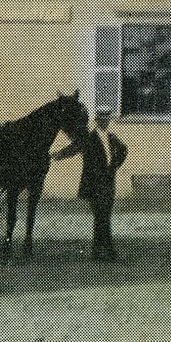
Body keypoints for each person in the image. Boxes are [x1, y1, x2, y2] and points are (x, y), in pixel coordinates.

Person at [55, 106, 127, 260]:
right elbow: (74, 148)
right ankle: (107, 251)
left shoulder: (111, 137)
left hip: (108, 183)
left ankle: (98, 251)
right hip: (94, 183)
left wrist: (114, 166)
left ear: (109, 120)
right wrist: (58, 155)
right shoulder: (89, 137)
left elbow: (123, 150)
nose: (104, 121)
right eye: (101, 118)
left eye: (107, 118)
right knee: (102, 217)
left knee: (103, 217)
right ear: (96, 120)